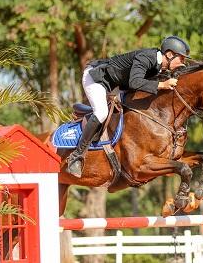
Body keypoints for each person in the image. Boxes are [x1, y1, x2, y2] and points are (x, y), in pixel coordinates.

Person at [66, 35, 191, 178]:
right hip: (97, 79)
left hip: (117, 85)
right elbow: (135, 82)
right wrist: (162, 84)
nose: (183, 63)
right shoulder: (146, 57)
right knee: (101, 113)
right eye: (181, 58)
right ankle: (76, 156)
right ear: (169, 54)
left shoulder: (160, 66)